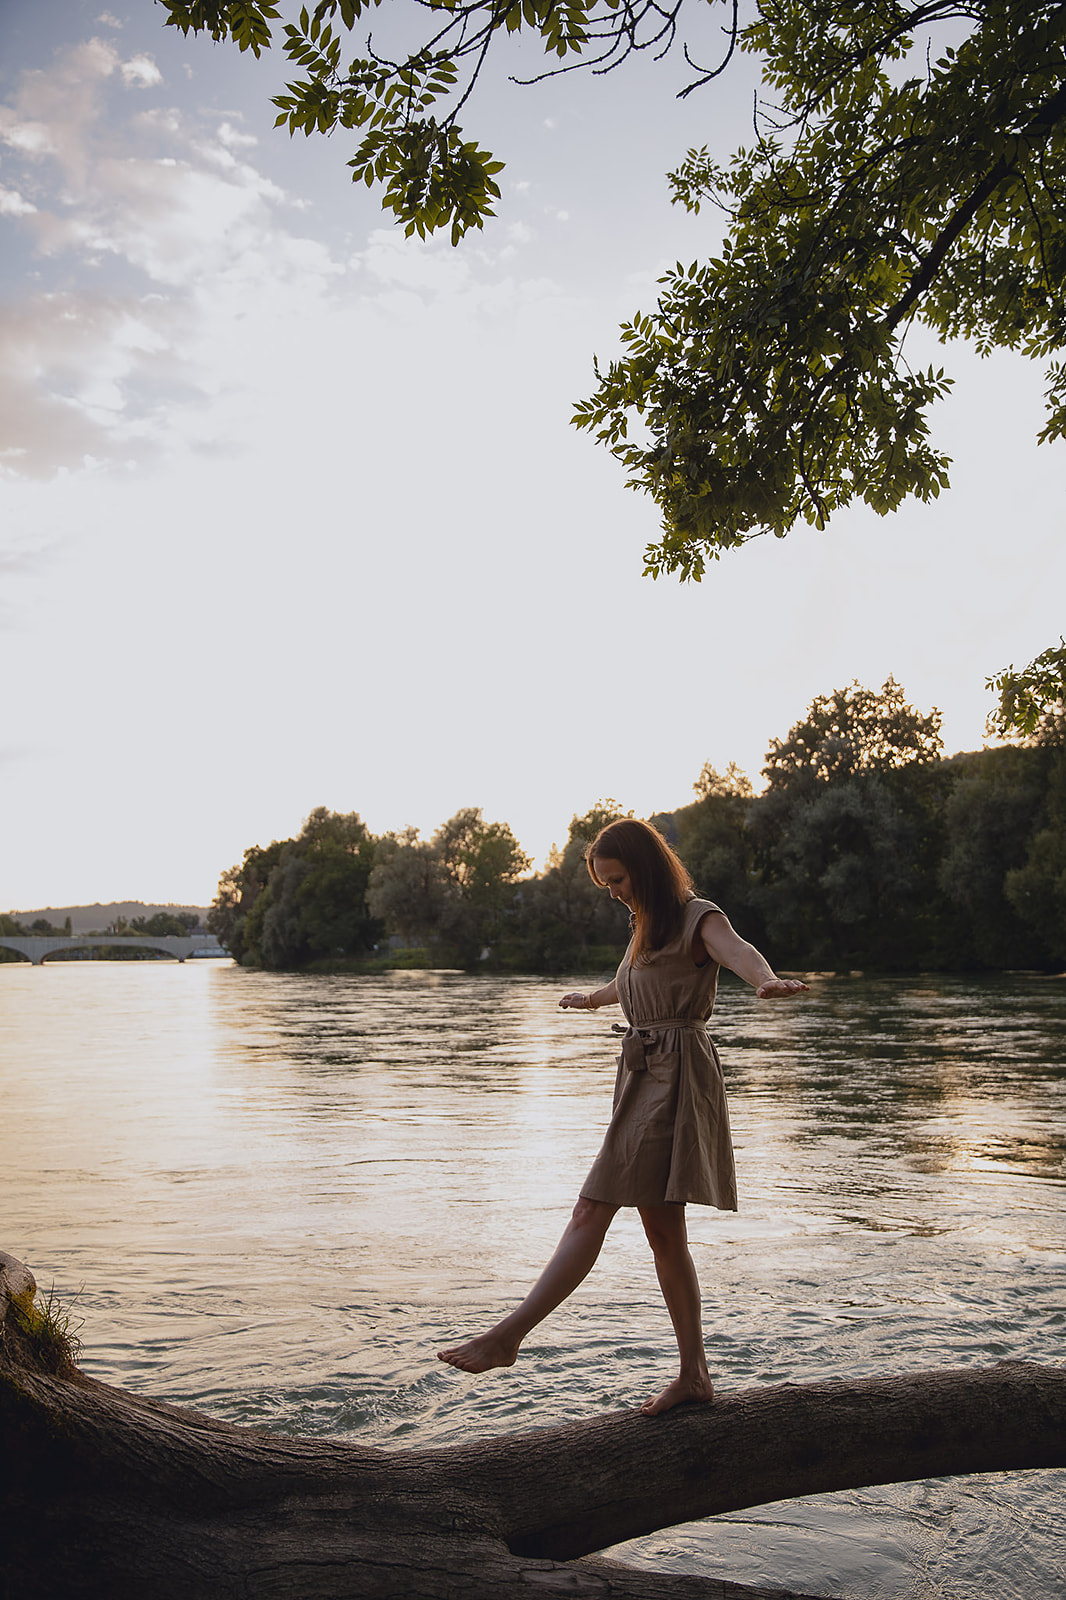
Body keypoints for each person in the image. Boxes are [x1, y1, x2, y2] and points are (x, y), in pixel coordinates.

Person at [438, 817, 808, 1415]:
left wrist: (766, 982)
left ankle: (509, 1337)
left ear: (646, 867)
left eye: (616, 879)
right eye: (604, 884)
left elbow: (738, 953)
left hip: (677, 1078)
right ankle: (695, 1376)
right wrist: (593, 998)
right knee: (664, 1234)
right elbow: (632, 979)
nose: (612, 892)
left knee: (595, 1206)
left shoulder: (699, 916)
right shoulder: (645, 924)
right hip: (642, 1075)